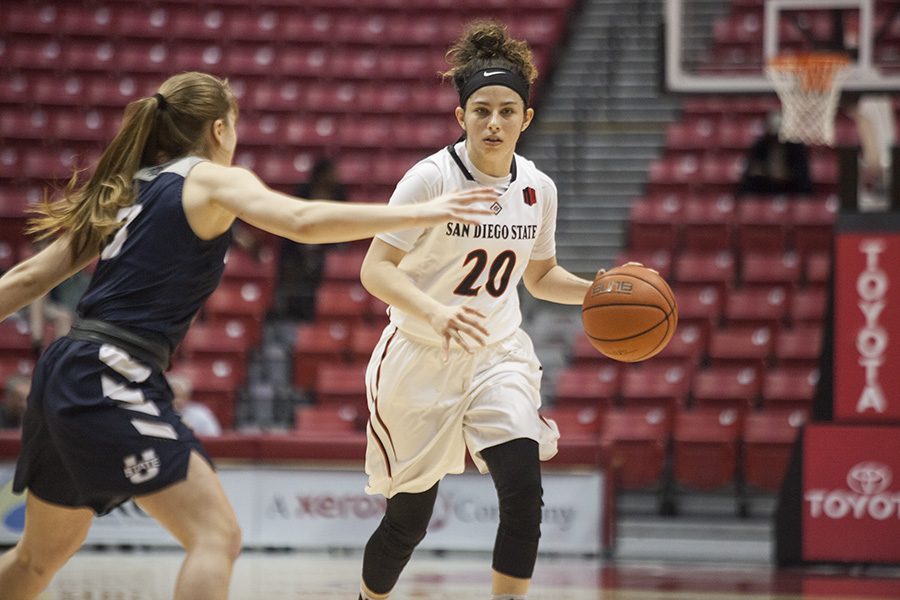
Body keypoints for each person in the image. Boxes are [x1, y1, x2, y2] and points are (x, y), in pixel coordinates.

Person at [0, 71, 496, 600]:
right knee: (216, 535)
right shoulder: (214, 179)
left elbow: (28, 279)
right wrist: (420, 212)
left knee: (37, 559)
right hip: (109, 369)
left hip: (66, 367)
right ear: (219, 129)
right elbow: (301, 220)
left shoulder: (129, 186)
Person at [356, 21, 596, 600]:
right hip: (420, 355)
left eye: (507, 111)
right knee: (408, 521)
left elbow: (538, 277)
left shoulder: (537, 188)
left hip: (497, 354)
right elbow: (375, 270)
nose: (494, 122)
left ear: (526, 119)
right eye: (482, 110)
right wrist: (434, 313)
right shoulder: (430, 178)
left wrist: (598, 292)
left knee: (523, 491)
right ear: (461, 117)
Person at [276, 157, 349, 319]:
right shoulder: (303, 191)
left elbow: (344, 222)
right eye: (332, 173)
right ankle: (287, 311)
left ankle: (314, 312)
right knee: (289, 263)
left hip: (327, 245)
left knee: (327, 265)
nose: (336, 176)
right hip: (298, 243)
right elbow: (293, 217)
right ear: (321, 174)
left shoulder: (339, 194)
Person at [736, 111, 813, 196]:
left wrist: (787, 173)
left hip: (791, 192)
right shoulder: (760, 147)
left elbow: (803, 180)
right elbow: (750, 177)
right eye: (774, 135)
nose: (777, 139)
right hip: (764, 192)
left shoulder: (797, 148)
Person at [168, 373, 221, 437]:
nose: (177, 401)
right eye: (173, 396)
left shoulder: (200, 414)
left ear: (188, 397)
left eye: (181, 397)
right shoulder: (157, 412)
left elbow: (214, 439)